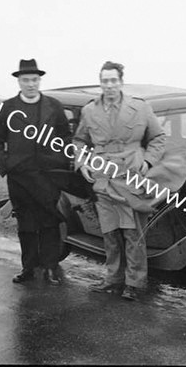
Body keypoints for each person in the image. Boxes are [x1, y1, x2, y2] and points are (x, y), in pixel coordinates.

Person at [73, 61, 166, 300]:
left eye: (113, 80)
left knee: (133, 233)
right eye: (105, 81)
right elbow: (80, 141)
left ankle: (135, 283)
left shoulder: (141, 108)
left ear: (121, 82)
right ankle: (113, 279)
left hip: (131, 177)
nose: (109, 85)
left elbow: (158, 137)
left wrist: (147, 163)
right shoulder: (89, 110)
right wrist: (82, 162)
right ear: (100, 83)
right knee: (110, 233)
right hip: (103, 178)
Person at [0, 59, 70, 286]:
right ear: (19, 81)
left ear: (39, 80)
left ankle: (51, 267)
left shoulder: (54, 106)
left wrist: (59, 161)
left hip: (47, 177)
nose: (31, 84)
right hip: (19, 178)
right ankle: (29, 268)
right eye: (26, 80)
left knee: (49, 223)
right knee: (26, 225)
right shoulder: (7, 107)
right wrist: (7, 165)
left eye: (34, 80)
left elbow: (65, 138)